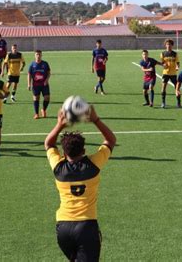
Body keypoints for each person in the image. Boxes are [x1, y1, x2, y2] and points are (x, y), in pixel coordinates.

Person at [44, 105, 116, 261]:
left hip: (63, 228)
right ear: (83, 151)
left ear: (64, 153)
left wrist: (60, 124)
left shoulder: (58, 167)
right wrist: (95, 120)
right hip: (86, 227)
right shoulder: (93, 164)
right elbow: (111, 140)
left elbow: (49, 144)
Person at [27, 49, 51, 119]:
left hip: (44, 84)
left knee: (47, 98)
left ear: (41, 55)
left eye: (39, 54)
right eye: (37, 54)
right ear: (34, 55)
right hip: (35, 85)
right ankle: (36, 114)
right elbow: (29, 74)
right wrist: (29, 84)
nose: (38, 56)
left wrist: (47, 80)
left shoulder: (45, 64)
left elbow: (49, 73)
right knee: (36, 98)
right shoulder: (32, 65)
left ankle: (43, 110)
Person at [160, 39, 181, 108]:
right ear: (165, 45)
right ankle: (163, 103)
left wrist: (177, 67)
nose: (168, 46)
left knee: (177, 88)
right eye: (167, 44)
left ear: (172, 45)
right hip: (165, 73)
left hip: (173, 73)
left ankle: (178, 103)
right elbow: (162, 62)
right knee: (163, 88)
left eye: (170, 44)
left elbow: (178, 63)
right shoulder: (163, 53)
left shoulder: (175, 54)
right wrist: (164, 65)